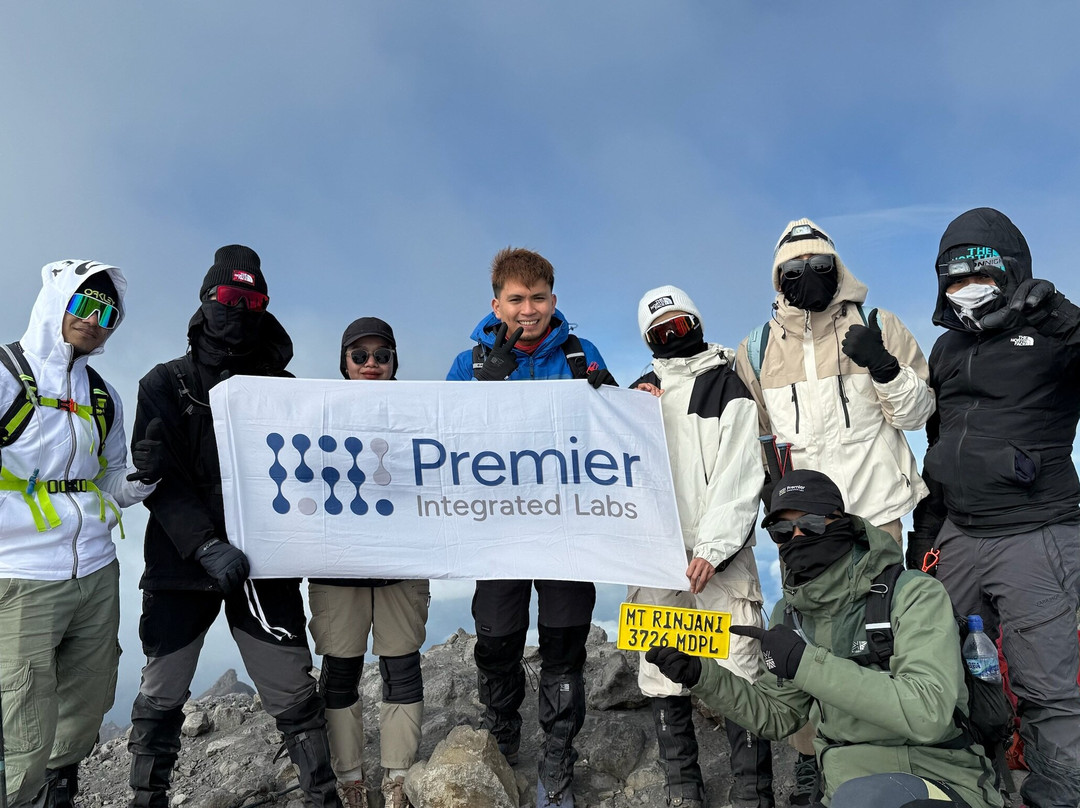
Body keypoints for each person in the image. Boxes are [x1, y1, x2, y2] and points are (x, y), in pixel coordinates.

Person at [125, 246, 342, 808]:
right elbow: (161, 483)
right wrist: (205, 544)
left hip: (264, 565)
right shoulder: (165, 384)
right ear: (205, 300)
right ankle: (147, 799)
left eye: (253, 301)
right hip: (179, 566)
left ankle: (323, 797)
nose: (240, 310)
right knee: (161, 692)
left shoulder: (286, 390)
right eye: (228, 297)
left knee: (293, 689)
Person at [646, 469, 1003, 808]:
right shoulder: (791, 613)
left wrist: (804, 663)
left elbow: (928, 713)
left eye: (811, 524)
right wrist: (703, 676)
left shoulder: (913, 594)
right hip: (844, 785)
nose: (797, 538)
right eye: (782, 531)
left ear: (842, 523)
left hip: (937, 774)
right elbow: (778, 715)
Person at [733, 218, 936, 804]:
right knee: (803, 640)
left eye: (819, 266)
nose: (807, 277)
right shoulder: (756, 349)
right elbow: (756, 434)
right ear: (777, 279)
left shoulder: (881, 326)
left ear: (837, 268)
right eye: (793, 271)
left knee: (881, 638)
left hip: (876, 514)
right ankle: (809, 756)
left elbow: (918, 412)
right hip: (802, 527)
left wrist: (884, 367)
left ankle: (891, 750)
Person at [911, 207, 1080, 808]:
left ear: (1011, 272)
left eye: (979, 274)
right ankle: (971, 787)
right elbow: (939, 443)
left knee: (1045, 684)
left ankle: (1060, 793)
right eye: (955, 278)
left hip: (1036, 532)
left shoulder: (1055, 335)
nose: (967, 287)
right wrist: (925, 535)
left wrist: (1067, 321)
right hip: (958, 532)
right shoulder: (946, 347)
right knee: (943, 670)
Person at [446, 247, 615, 808]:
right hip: (498, 532)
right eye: (516, 299)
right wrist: (483, 390)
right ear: (496, 304)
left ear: (553, 300)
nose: (528, 309)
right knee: (497, 640)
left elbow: (617, 430)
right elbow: (440, 439)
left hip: (568, 529)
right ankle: (502, 736)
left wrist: (618, 394)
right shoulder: (469, 363)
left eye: (538, 298)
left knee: (564, 643)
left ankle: (557, 754)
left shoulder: (578, 354)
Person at [0, 261, 159, 808]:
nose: (95, 320)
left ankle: (58, 791)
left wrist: (142, 479)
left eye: (108, 313)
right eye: (85, 304)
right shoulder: (4, 376)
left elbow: (108, 480)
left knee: (88, 699)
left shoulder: (101, 395)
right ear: (56, 302)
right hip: (20, 573)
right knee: (20, 714)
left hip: (94, 568)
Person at [629, 286, 773, 808]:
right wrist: (626, 408)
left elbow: (741, 475)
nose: (673, 336)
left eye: (680, 324)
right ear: (648, 340)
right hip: (658, 556)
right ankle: (682, 783)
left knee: (738, 661)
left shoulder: (726, 386)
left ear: (697, 323)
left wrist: (712, 548)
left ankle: (752, 789)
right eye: (661, 331)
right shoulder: (640, 394)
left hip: (720, 557)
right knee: (660, 664)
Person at [308, 317, 430, 808]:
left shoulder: (420, 411)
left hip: (403, 564)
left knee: (402, 667)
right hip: (338, 566)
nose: (371, 364)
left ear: (395, 361)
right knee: (341, 671)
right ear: (344, 362)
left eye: (382, 355)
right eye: (359, 356)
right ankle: (350, 778)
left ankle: (398, 776)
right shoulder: (317, 411)